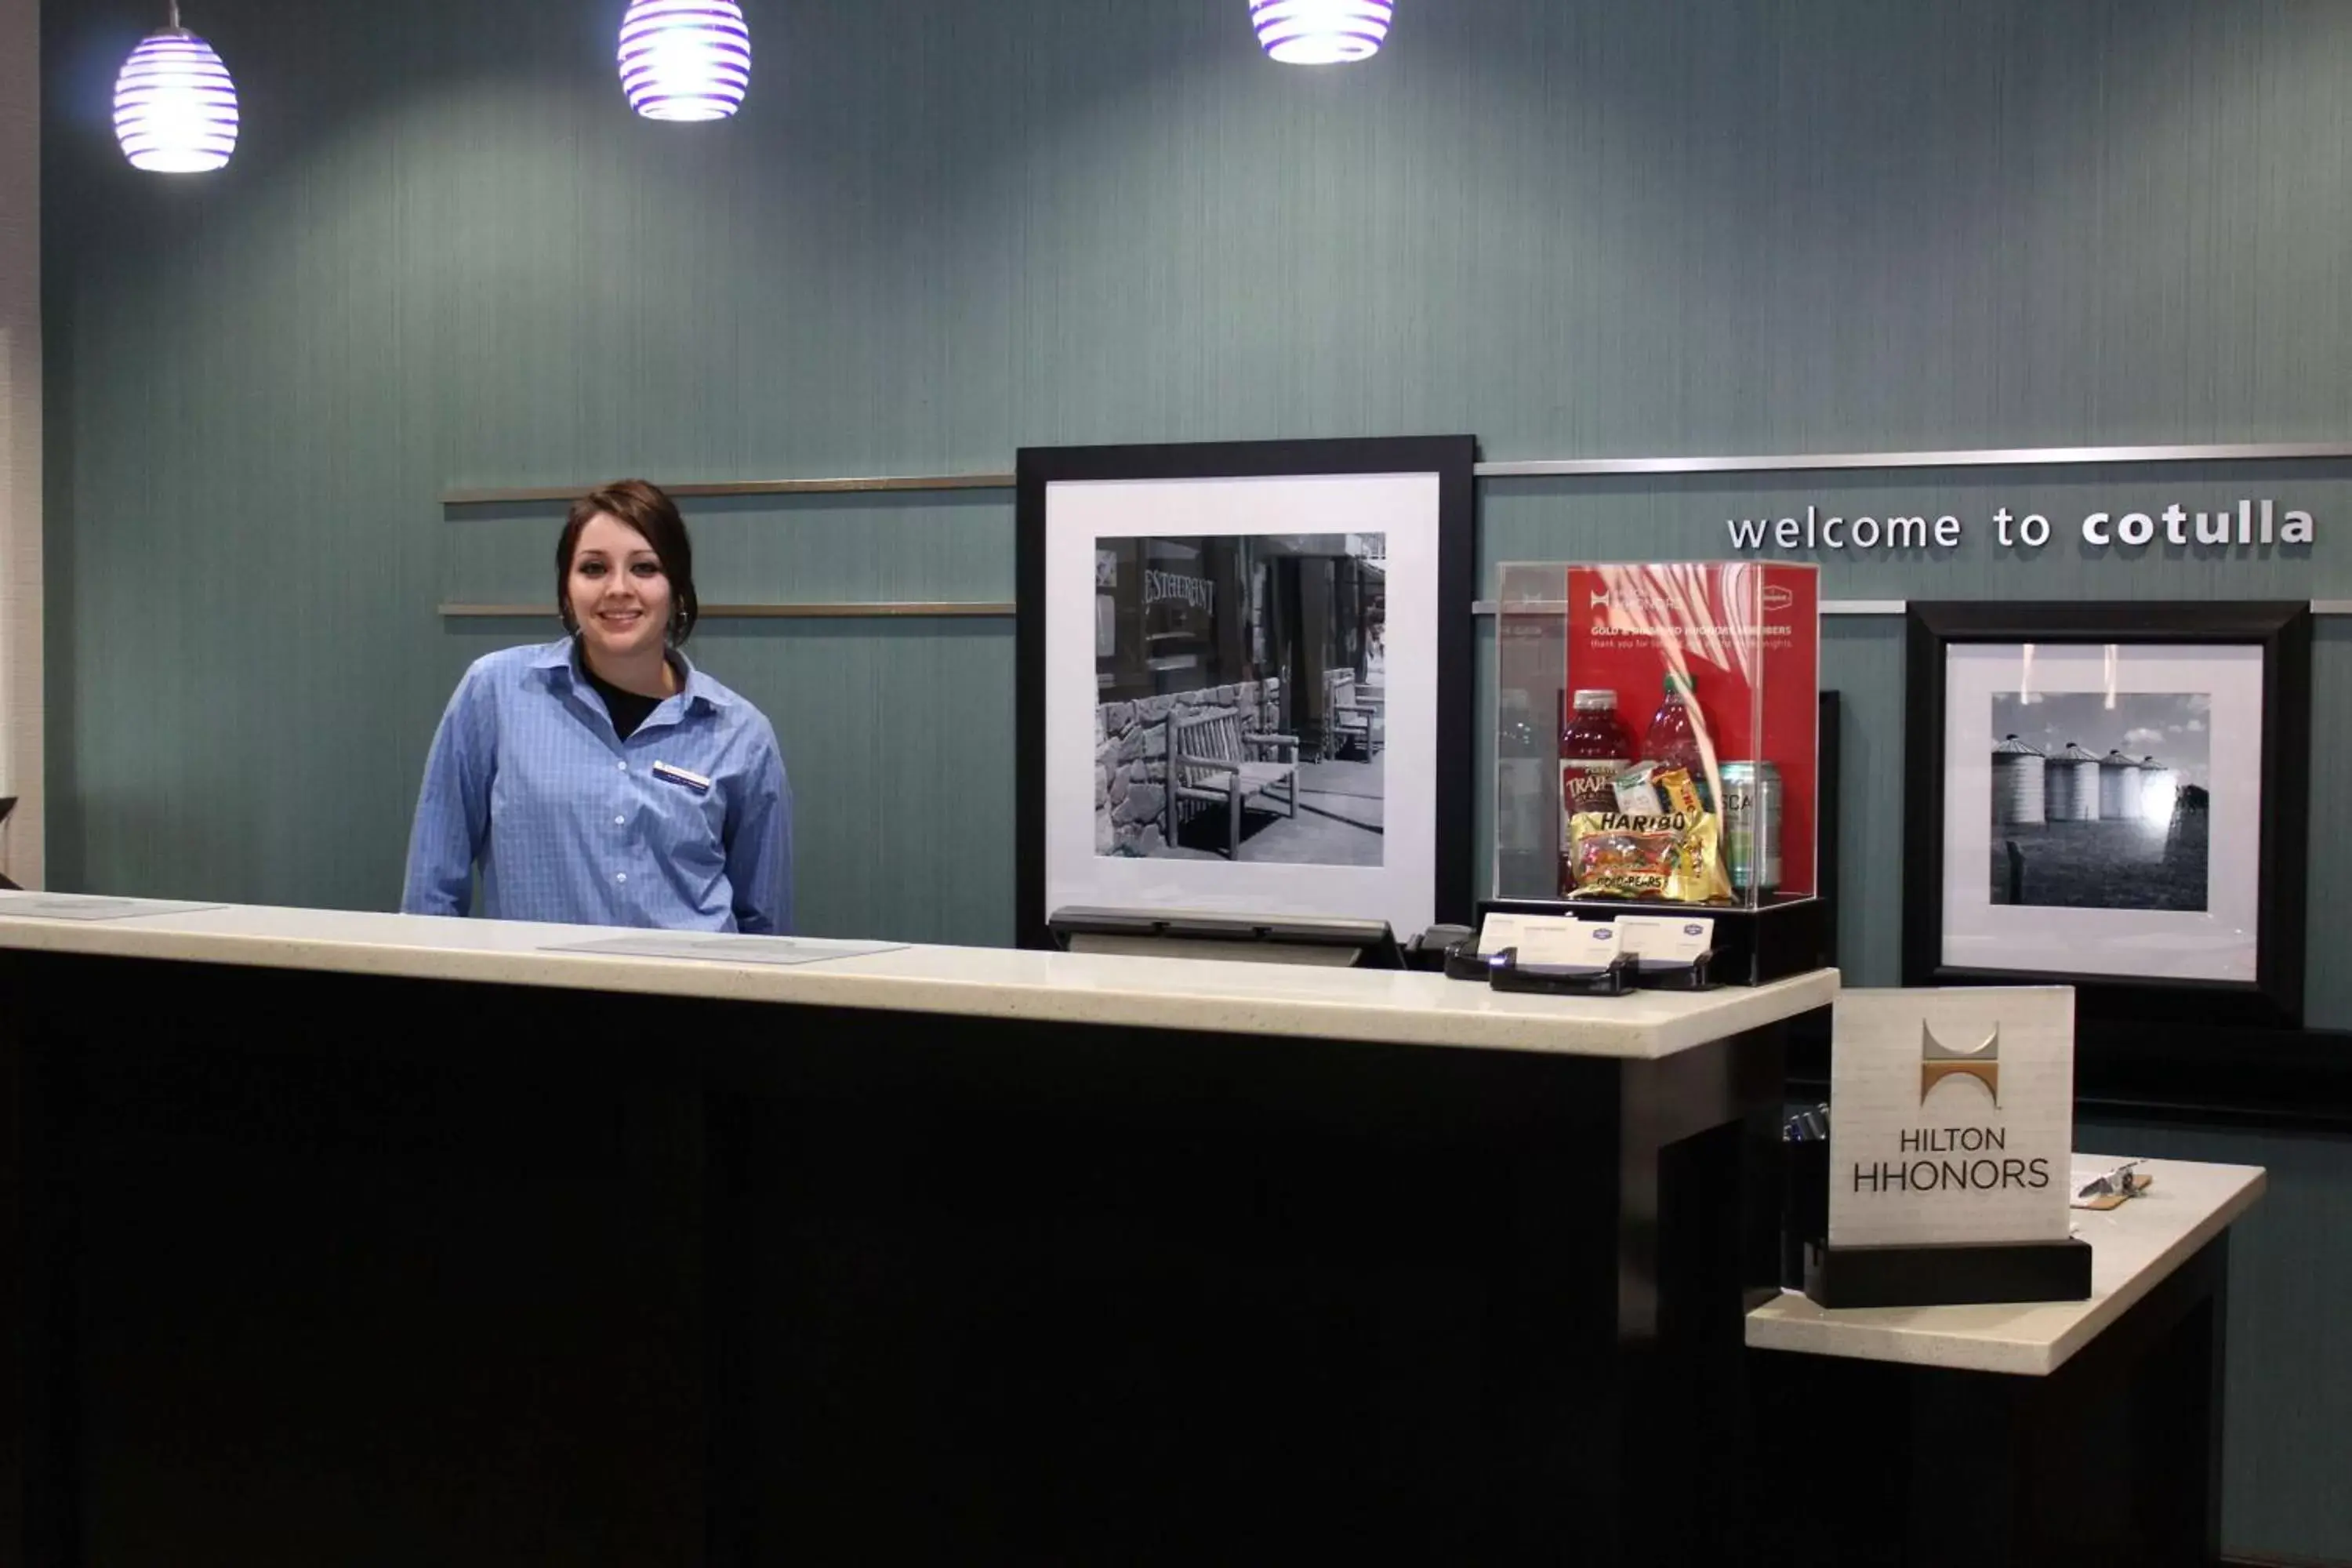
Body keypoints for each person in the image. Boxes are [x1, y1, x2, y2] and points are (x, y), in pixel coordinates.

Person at [402, 479, 792, 933]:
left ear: (677, 589)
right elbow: (431, 893)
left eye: (645, 568)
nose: (618, 589)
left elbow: (765, 929)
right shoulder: (494, 693)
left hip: (693, 996)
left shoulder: (742, 735)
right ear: (567, 589)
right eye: (593, 569)